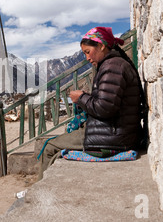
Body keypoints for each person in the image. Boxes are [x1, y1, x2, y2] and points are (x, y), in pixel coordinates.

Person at [37, 27, 146, 180]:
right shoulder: (115, 64)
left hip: (111, 136)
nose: (87, 58)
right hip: (115, 131)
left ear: (101, 45)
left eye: (88, 52)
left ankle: (38, 191)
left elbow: (105, 108)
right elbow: (108, 101)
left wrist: (81, 97)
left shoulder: (112, 67)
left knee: (50, 147)